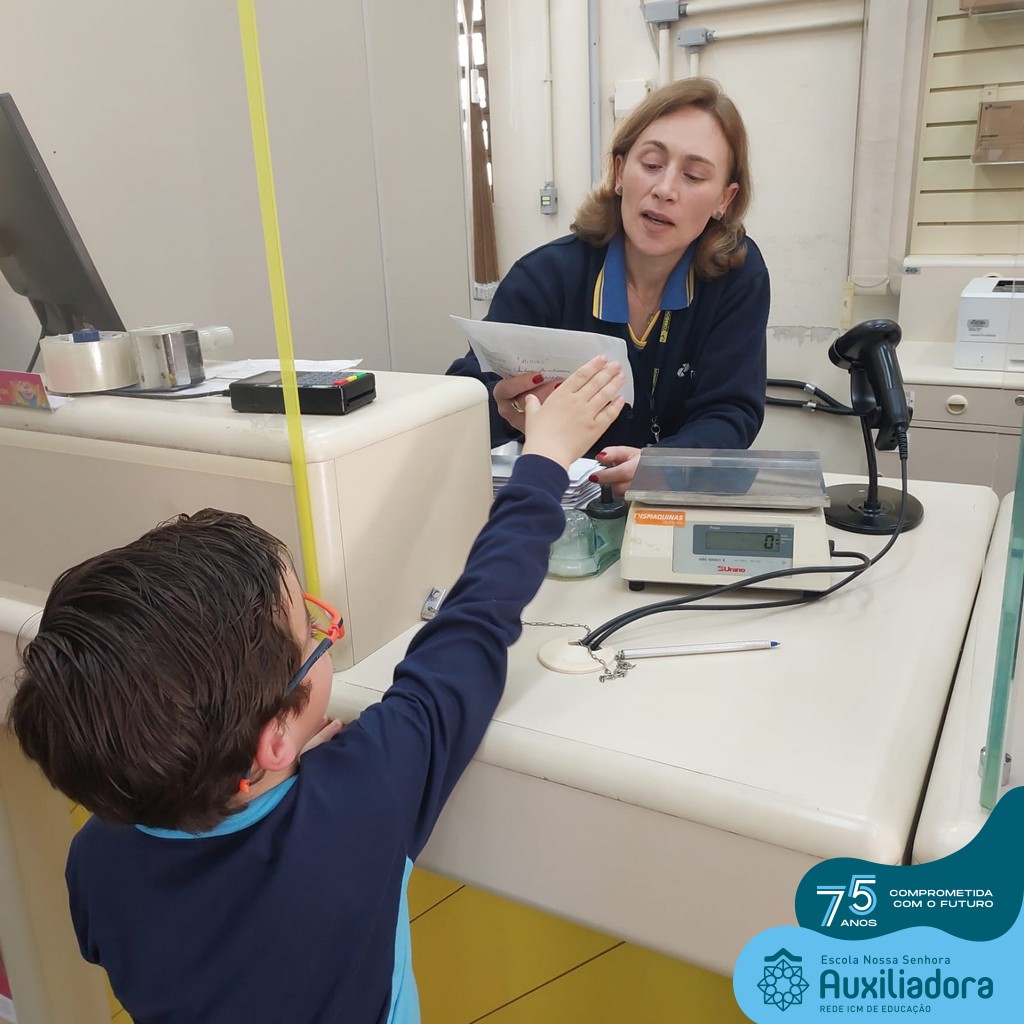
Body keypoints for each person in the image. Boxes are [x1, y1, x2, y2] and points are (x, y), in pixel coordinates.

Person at [6, 356, 625, 1024]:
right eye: (312, 632)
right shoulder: (363, 794)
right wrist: (545, 461)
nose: (324, 628)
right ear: (272, 738)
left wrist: (270, 766)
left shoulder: (95, 858)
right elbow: (475, 623)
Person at [447, 76, 770, 494]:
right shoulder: (547, 276)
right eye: (651, 165)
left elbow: (731, 412)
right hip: (565, 503)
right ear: (619, 172)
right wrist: (503, 409)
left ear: (724, 200)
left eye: (693, 175)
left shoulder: (737, 276)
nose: (664, 190)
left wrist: (666, 465)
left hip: (674, 497)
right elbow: (462, 402)